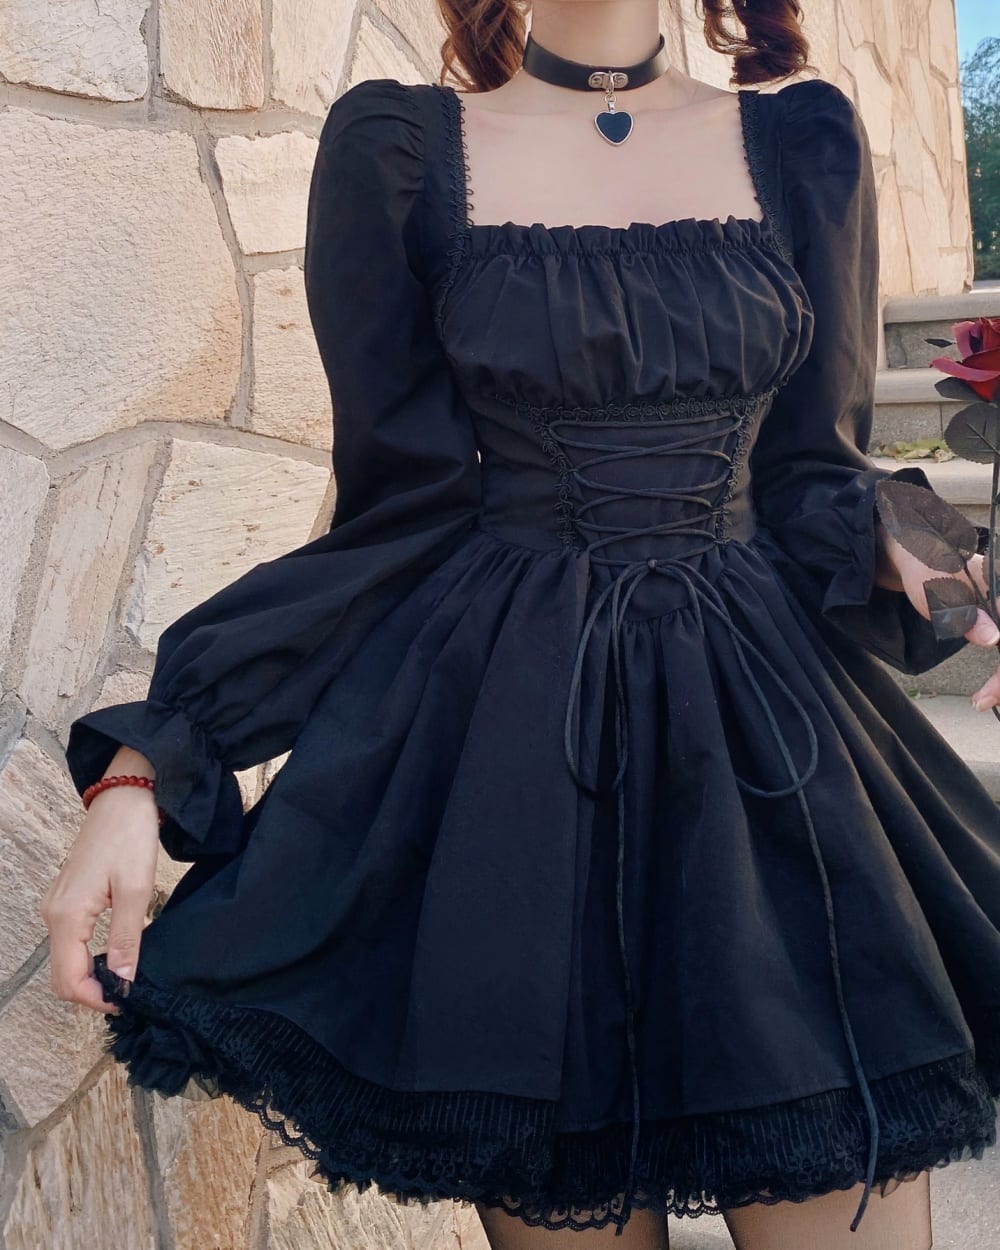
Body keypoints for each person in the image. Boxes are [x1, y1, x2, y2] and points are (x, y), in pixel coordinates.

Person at [42, 4, 1000, 1248]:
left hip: (772, 754)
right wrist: (150, 758)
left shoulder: (802, 142)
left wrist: (948, 567)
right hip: (516, 776)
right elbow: (400, 515)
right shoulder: (399, 153)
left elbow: (815, 470)